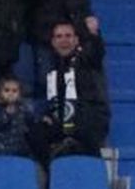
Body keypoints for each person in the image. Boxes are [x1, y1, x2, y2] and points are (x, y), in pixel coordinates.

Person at [31, 18, 110, 161]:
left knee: (83, 131)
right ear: (53, 42)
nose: (64, 40)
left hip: (87, 122)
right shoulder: (51, 68)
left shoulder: (87, 61)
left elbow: (96, 52)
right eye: (59, 37)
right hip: (61, 122)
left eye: (68, 36)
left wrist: (93, 34)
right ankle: (52, 173)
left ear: (76, 40)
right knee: (36, 133)